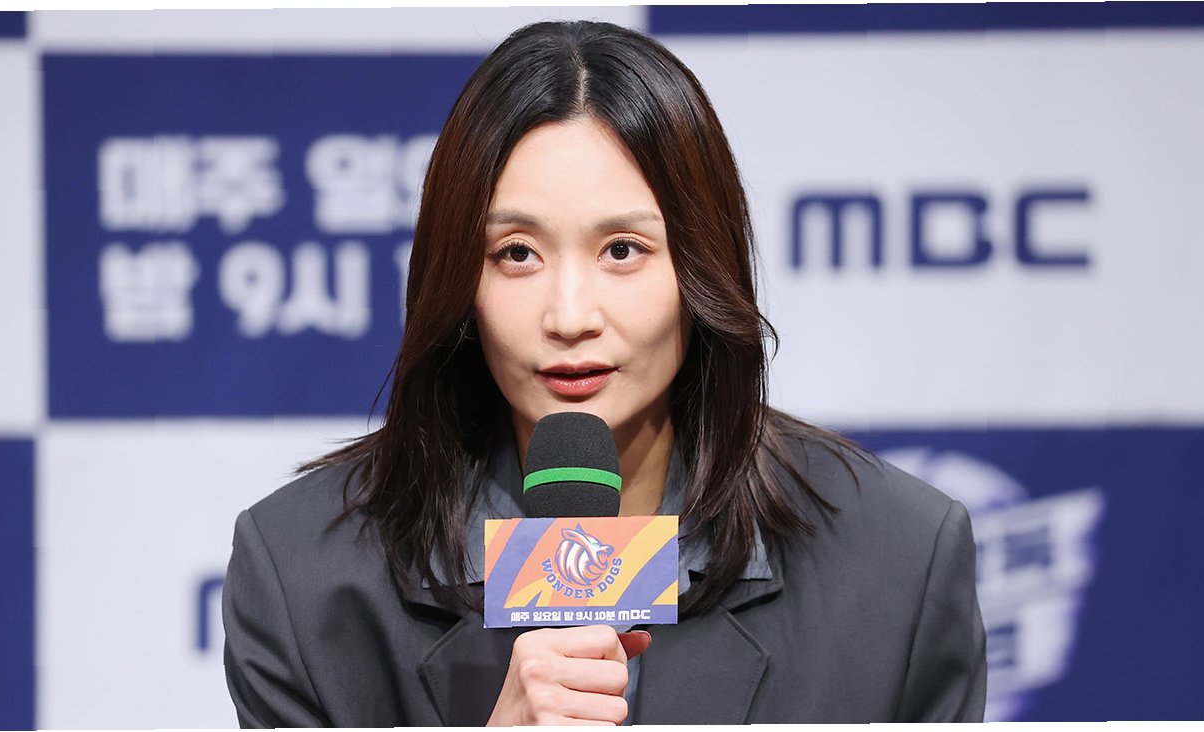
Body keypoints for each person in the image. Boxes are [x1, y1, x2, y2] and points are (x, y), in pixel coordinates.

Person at [222, 19, 986, 727]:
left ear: (702, 266)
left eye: (622, 250)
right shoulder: (302, 577)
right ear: (457, 280)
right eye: (517, 253)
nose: (569, 315)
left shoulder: (898, 563)